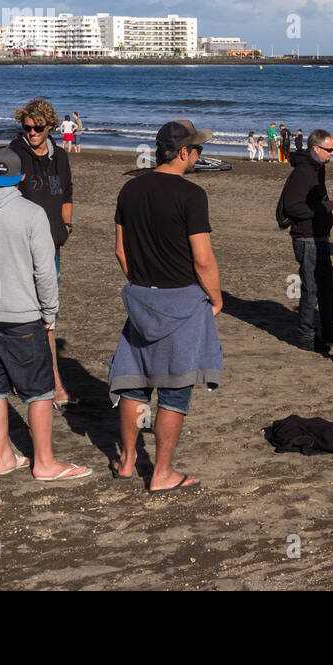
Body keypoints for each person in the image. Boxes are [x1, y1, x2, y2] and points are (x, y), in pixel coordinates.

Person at [0, 147, 90, 480]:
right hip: (22, 315)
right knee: (39, 391)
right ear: (20, 178)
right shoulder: (31, 213)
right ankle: (44, 463)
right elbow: (44, 272)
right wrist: (49, 311)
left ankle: (3, 457)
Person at [110, 120, 224, 492]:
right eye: (198, 150)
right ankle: (160, 473)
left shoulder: (130, 189)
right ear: (183, 153)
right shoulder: (191, 195)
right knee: (174, 390)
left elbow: (121, 251)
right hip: (182, 300)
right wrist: (217, 296)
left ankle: (127, 461)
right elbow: (203, 258)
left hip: (142, 298)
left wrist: (140, 280)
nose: (200, 156)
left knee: (134, 384)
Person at [10, 98, 75, 409]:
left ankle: (50, 378)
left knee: (48, 314)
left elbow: (67, 191)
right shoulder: (12, 154)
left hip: (52, 247)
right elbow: (1, 196)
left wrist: (65, 224)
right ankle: (42, 379)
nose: (32, 132)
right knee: (24, 313)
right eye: (27, 127)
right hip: (20, 247)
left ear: (51, 126)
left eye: (38, 127)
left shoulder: (60, 156)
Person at [281, 129, 333, 351]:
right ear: (316, 149)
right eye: (329, 149)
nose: (332, 153)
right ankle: (307, 336)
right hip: (307, 238)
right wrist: (320, 209)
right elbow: (292, 206)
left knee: (328, 288)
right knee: (312, 288)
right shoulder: (305, 171)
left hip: (319, 237)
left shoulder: (317, 168)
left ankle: (326, 330)